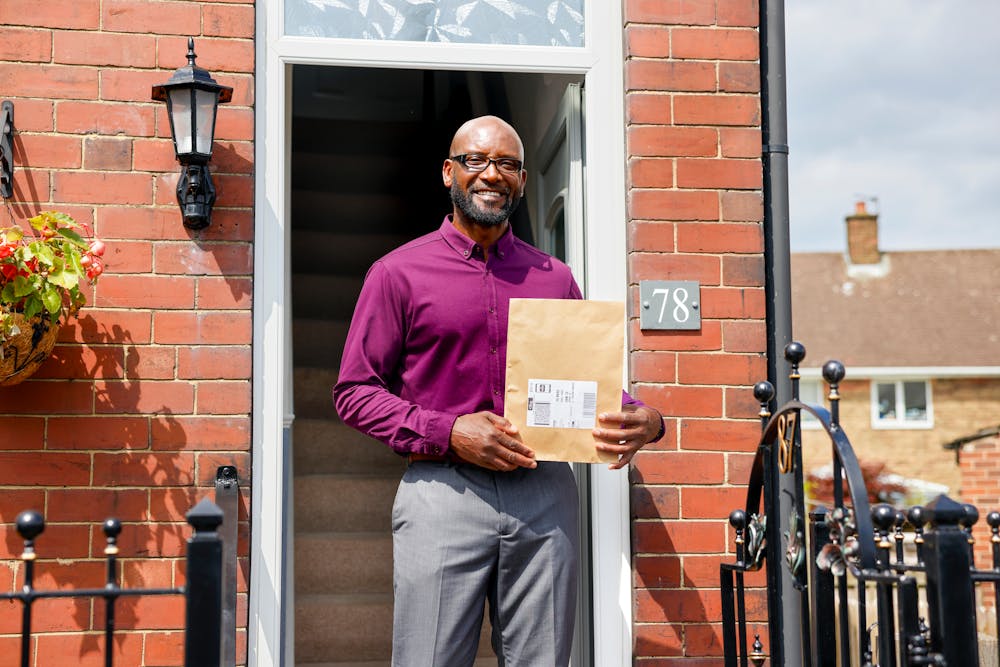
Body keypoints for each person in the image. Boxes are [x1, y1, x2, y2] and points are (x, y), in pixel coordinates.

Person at [333, 115, 663, 666]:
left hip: (543, 494)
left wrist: (644, 419)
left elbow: (585, 381)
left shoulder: (554, 278)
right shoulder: (397, 274)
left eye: (507, 163)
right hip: (443, 492)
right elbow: (355, 391)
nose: (492, 174)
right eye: (475, 160)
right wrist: (449, 430)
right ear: (448, 173)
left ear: (524, 180)